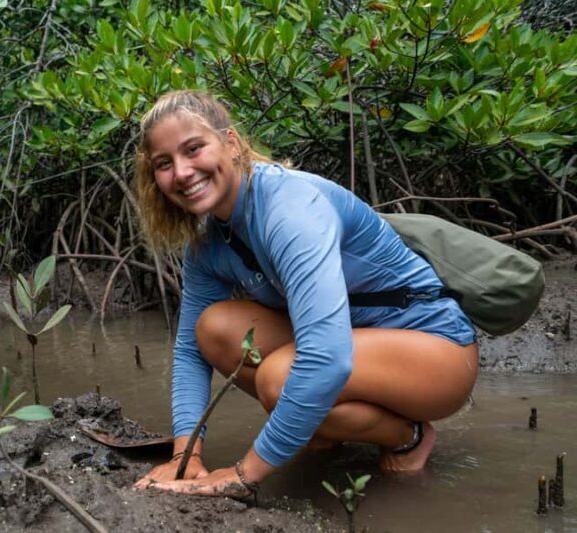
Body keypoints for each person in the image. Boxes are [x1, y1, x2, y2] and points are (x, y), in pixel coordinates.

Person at [131, 90, 479, 499]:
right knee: (214, 330)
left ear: (231, 143)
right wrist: (185, 455)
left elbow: (326, 358)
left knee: (280, 378)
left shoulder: (290, 210)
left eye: (194, 149)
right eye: (164, 163)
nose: (182, 172)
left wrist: (244, 474)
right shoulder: (210, 245)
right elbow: (191, 351)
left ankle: (408, 437)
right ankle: (329, 431)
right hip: (359, 348)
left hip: (437, 353)